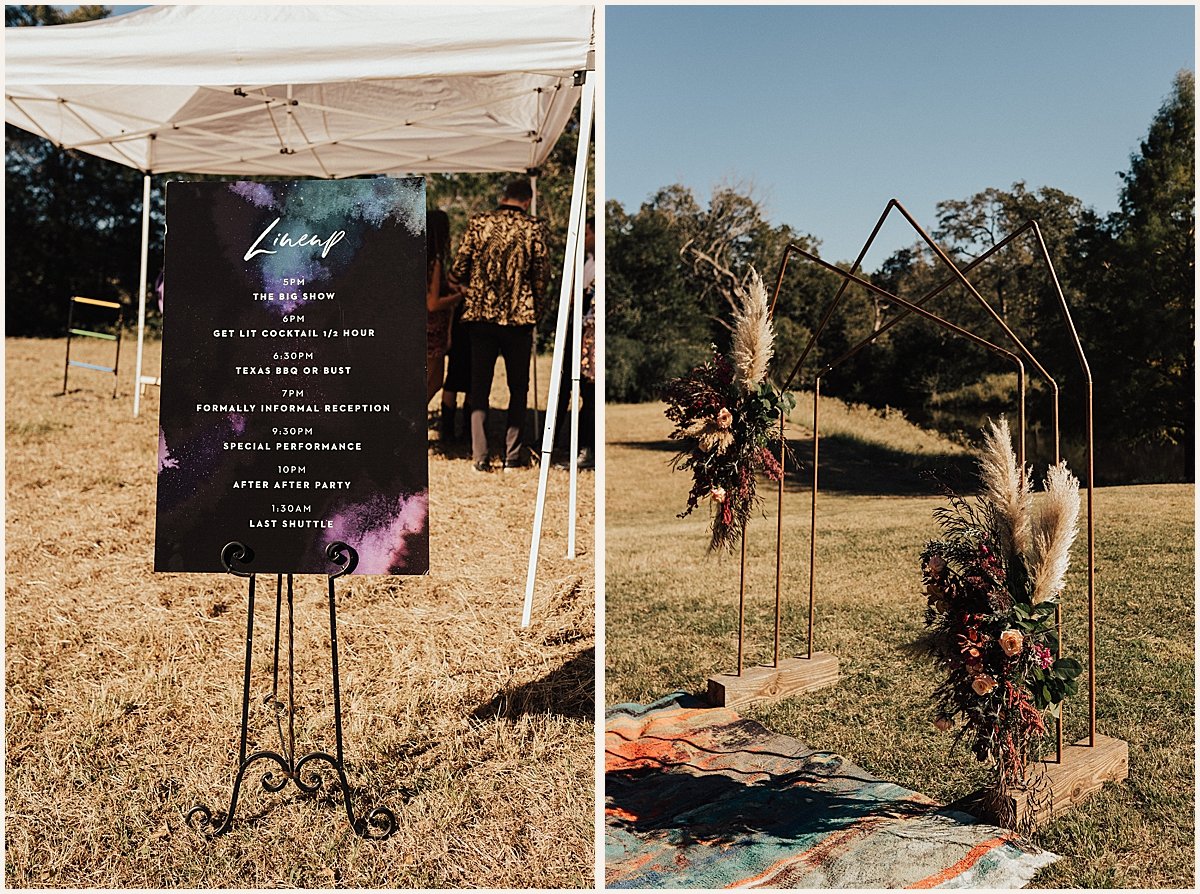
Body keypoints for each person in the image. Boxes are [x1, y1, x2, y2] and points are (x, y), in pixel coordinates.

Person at [451, 179, 550, 472]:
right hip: (518, 319)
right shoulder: (534, 227)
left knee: (478, 387)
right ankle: (512, 456)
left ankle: (480, 458)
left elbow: (458, 268)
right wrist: (537, 312)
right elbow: (541, 277)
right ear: (528, 201)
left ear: (504, 196)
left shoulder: (479, 222)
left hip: (481, 316)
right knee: (518, 388)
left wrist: (473, 290)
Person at [554, 217, 596, 469]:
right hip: (577, 331)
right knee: (568, 388)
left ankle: (586, 450)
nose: (584, 238)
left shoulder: (597, 264)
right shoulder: (586, 262)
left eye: (587, 233)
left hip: (590, 336)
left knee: (589, 394)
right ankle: (568, 443)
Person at [425, 209, 463, 404]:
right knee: (426, 383)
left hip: (429, 331)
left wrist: (449, 287)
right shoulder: (435, 261)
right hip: (431, 330)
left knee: (437, 381)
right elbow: (432, 303)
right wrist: (459, 296)